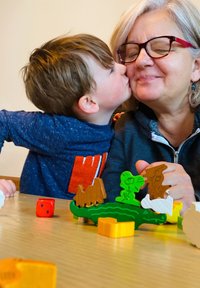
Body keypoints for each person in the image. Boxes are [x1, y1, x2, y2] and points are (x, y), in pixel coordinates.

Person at [0, 34, 131, 199]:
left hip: (82, 220)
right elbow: (3, 121)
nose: (123, 67)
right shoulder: (57, 130)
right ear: (89, 102)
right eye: (111, 70)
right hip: (40, 221)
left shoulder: (118, 121)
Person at [102, 0, 200, 214]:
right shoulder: (122, 129)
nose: (141, 61)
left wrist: (194, 207)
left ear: (196, 66)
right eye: (130, 52)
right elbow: (110, 210)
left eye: (161, 47)